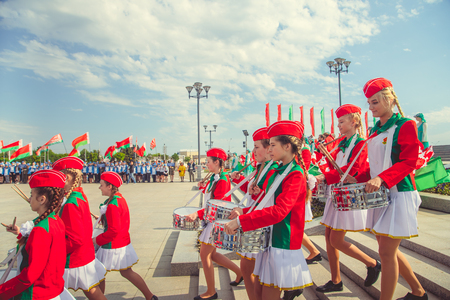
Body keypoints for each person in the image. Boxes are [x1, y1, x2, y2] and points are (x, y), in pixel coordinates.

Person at [351, 78, 427, 300]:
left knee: (385, 252)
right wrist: (357, 178)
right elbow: (373, 166)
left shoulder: (406, 124)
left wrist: (382, 179)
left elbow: (409, 161)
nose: (371, 107)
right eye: (369, 103)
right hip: (381, 194)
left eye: (375, 102)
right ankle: (419, 291)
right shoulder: (375, 130)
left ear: (389, 99)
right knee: (388, 250)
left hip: (400, 192)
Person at [225, 120, 313, 300]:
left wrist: (242, 221)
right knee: (259, 292)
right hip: (270, 240)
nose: (269, 149)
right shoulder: (280, 170)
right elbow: (266, 203)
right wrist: (244, 211)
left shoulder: (295, 174)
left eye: (273, 145)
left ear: (287, 146)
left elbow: (280, 211)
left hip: (282, 242)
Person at [314, 104, 381, 293]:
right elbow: (332, 165)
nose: (339, 126)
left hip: (347, 195)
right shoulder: (341, 143)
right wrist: (322, 152)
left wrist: (323, 177)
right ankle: (335, 280)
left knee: (335, 240)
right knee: (328, 238)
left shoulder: (361, 144)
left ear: (354, 122)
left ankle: (372, 263)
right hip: (336, 192)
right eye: (338, 123)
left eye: (342, 122)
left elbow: (352, 170)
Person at [0, 169, 75, 299]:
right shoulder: (55, 220)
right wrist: (19, 233)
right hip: (51, 289)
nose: (29, 199)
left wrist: (3, 290)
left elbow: (30, 275)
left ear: (42, 199)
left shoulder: (41, 229)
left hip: (37, 293)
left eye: (31, 194)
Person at [185, 148, 242, 300]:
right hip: (212, 220)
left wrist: (196, 214)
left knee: (205, 255)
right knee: (212, 255)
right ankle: (239, 272)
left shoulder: (223, 180)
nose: (206, 164)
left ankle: (211, 291)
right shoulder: (216, 177)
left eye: (208, 161)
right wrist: (203, 187)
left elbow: (216, 207)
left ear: (217, 162)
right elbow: (211, 194)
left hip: (216, 221)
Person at [229, 127, 278, 300]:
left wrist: (243, 212)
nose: (253, 151)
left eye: (257, 147)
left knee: (251, 269)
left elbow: (266, 202)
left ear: (268, 149)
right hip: (253, 218)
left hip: (259, 222)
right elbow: (252, 194)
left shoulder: (272, 169)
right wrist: (238, 181)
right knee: (249, 269)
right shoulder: (261, 168)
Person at [94, 171, 158, 300]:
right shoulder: (118, 199)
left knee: (98, 273)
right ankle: (150, 296)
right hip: (121, 242)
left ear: (109, 187)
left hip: (113, 244)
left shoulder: (113, 204)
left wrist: (96, 240)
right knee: (125, 272)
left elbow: (113, 231)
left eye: (101, 185)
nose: (99, 187)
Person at [52, 157, 107, 299]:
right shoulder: (78, 195)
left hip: (75, 257)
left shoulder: (71, 203)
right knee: (94, 289)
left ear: (67, 178)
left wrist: (53, 250)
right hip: (84, 252)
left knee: (93, 292)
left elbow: (74, 238)